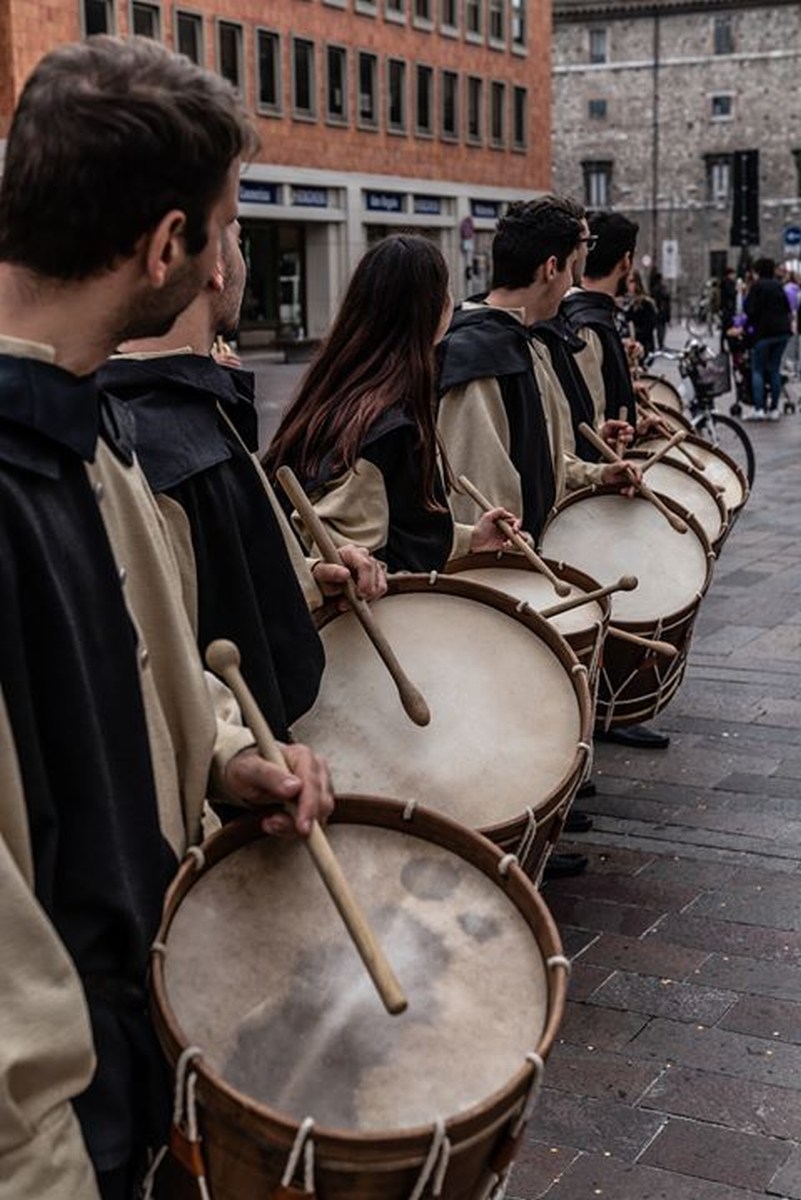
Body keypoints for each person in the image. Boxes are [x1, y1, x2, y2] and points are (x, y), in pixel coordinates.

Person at [0, 37, 332, 1200]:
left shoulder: (86, 430)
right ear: (165, 247)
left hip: (130, 1054)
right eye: (227, 225)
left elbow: (143, 666)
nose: (222, 260)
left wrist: (229, 760)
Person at [100, 217, 386, 748]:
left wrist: (303, 576)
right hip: (223, 795)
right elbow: (150, 665)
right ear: (213, 265)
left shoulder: (196, 400)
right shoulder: (139, 441)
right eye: (234, 229)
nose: (243, 256)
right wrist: (236, 757)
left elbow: (218, 574)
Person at [264, 234, 521, 572]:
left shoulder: (340, 393)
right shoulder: (384, 427)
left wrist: (470, 538)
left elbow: (398, 527)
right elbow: (348, 557)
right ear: (430, 310)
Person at [436, 197, 634, 546]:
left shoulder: (527, 341)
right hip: (508, 577)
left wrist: (600, 475)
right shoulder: (480, 359)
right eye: (573, 268)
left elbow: (549, 463)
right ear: (551, 268)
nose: (572, 284)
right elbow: (478, 503)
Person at [562, 212, 670, 752]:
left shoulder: (594, 318)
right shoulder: (585, 323)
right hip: (590, 482)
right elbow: (581, 413)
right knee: (601, 594)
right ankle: (601, 708)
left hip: (604, 469)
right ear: (627, 262)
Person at [743, 257, 792, 420]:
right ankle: (774, 409)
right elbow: (787, 307)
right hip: (782, 332)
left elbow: (748, 309)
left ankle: (759, 409)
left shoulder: (757, 286)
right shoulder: (778, 285)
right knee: (774, 369)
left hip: (764, 333)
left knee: (757, 370)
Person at [623, 269, 658, 357]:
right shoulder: (623, 302)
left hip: (642, 345)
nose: (628, 285)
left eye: (631, 281)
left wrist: (631, 333)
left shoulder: (645, 303)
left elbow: (648, 327)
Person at [650, 269, 672, 350]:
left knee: (660, 329)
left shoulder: (654, 289)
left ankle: (660, 344)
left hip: (659, 311)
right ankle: (661, 344)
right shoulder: (661, 288)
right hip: (662, 311)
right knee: (661, 329)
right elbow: (665, 298)